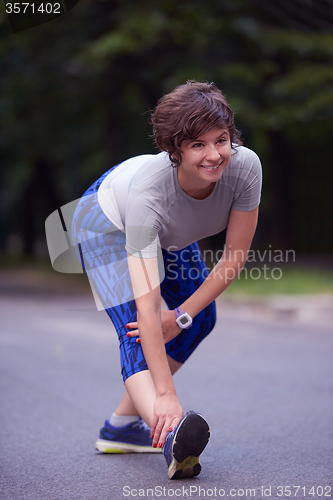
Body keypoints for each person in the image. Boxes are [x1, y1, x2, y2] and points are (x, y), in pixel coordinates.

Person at [70, 80, 262, 479]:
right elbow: (148, 305)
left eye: (222, 140)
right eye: (197, 145)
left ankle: (121, 427)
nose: (214, 155)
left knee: (200, 318)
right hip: (103, 224)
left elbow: (234, 256)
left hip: (168, 233)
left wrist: (183, 316)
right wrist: (167, 395)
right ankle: (172, 430)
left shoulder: (245, 167)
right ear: (174, 151)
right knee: (137, 329)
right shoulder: (149, 193)